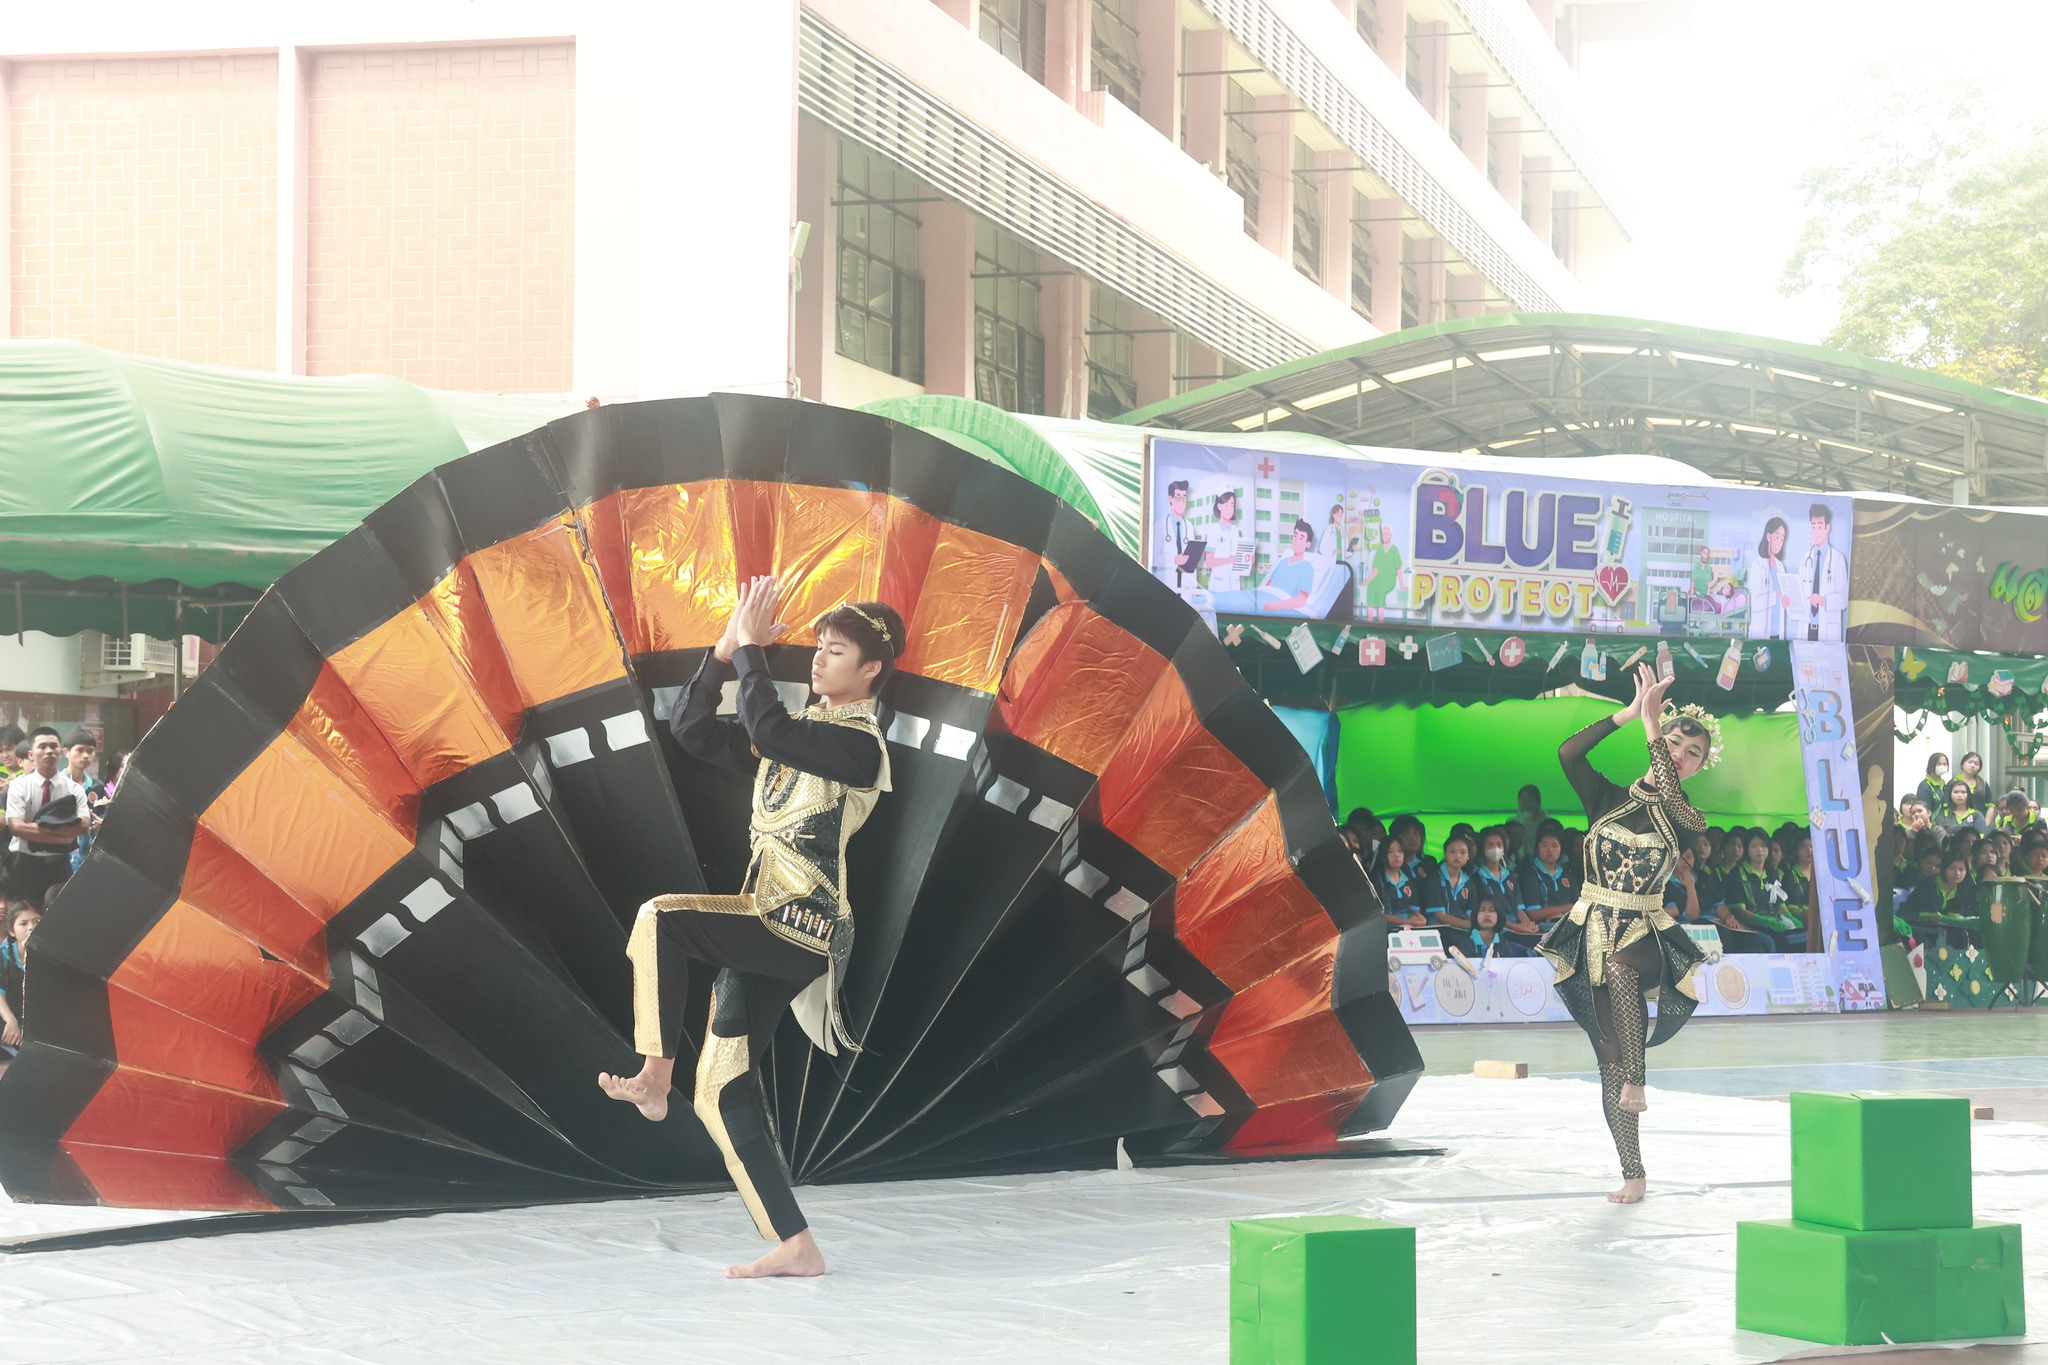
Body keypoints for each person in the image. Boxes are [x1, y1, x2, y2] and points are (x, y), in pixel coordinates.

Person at [597, 578, 901, 1279]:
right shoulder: (798, 738)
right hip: (767, 921)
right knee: (721, 1089)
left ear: (871, 669)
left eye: (835, 651)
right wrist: (724, 650)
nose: (819, 659)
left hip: (801, 921)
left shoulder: (859, 747)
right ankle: (796, 1243)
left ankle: (654, 1076)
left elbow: (769, 729)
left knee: (660, 918)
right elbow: (692, 729)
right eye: (819, 647)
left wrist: (753, 650)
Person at [1536, 665, 1715, 1205]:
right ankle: (1633, 1172)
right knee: (1607, 1064)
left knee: (1622, 967)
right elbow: (1568, 753)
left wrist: (1654, 727)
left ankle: (1639, 1076)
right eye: (1675, 742)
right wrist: (1629, 714)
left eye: (1693, 752)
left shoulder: (1687, 817)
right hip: (1592, 930)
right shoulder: (1606, 798)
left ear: (1701, 766)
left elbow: (1670, 796)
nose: (1680, 754)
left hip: (1647, 933)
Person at [4, 728, 89, 909]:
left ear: (61, 752)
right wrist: (64, 837)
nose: (49, 751)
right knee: (26, 915)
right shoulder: (19, 786)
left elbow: (83, 826)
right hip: (25, 865)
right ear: (31, 754)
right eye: (42, 747)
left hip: (60, 866)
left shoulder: (74, 789)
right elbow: (17, 828)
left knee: (60, 916)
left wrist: (34, 829)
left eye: (53, 746)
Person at [1795, 502, 1848, 642]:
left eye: (1819, 526)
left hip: (1828, 630)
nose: (1816, 531)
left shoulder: (1838, 559)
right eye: (1813, 526)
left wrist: (1823, 600)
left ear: (1827, 528)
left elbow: (1843, 599)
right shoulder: (1805, 559)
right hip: (1805, 629)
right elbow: (1799, 592)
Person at [1475, 827, 1540, 940]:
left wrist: (1529, 925)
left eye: (1499, 844)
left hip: (1517, 927)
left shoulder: (1510, 875)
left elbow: (1519, 909)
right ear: (1483, 848)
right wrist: (1516, 928)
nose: (1495, 848)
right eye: (1490, 845)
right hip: (1497, 929)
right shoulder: (1477, 877)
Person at [1901, 851, 1975, 950]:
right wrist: (1949, 920)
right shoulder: (1930, 884)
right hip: (1913, 923)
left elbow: (1956, 914)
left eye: (1961, 870)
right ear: (1943, 869)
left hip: (1940, 926)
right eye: (1952, 869)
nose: (1957, 873)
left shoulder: (1961, 888)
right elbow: (1930, 917)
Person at [0, 899, 38, 1059]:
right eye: (23, 923)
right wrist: (11, 1021)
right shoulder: (3, 954)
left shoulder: (49, 956)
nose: (31, 927)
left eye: (36, 921)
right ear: (11, 931)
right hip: (10, 1020)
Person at [1421, 832, 1481, 932]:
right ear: (1445, 853)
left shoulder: (1468, 881)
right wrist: (1469, 925)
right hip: (1439, 930)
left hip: (1463, 930)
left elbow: (1471, 913)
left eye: (1463, 852)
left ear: (1468, 856)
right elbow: (1441, 916)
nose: (1458, 856)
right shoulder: (1434, 879)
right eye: (1452, 852)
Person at [1747, 515, 1793, 639]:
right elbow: (1756, 603)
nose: (1779, 542)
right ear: (1768, 536)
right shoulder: (1757, 565)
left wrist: (1786, 601)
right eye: (1777, 537)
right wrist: (1775, 595)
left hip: (1778, 632)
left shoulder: (1780, 567)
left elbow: (1783, 598)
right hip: (1761, 632)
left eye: (1782, 539)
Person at [1521, 830, 1578, 927]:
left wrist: (1560, 914)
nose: (1550, 850)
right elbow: (1534, 913)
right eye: (1544, 846)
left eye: (1554, 846)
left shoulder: (1567, 874)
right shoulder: (1530, 874)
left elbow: (1579, 905)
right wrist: (1569, 907)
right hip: (1541, 928)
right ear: (1537, 848)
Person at [1372, 840, 1427, 930]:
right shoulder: (1377, 880)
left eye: (1400, 851)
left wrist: (1420, 918)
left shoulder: (1407, 879)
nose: (1396, 855)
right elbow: (1378, 915)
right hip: (1385, 931)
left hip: (1408, 929)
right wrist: (1406, 922)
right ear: (1383, 855)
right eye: (1390, 851)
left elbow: (1413, 909)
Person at [1202, 490, 1248, 594]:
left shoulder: (1235, 531)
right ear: (1219, 506)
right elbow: (1209, 562)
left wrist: (1248, 559)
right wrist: (1227, 560)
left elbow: (1237, 558)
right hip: (1218, 587)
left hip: (1235, 588)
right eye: (1226, 505)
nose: (1230, 509)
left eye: (1232, 505)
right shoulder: (1213, 529)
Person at [1153, 479, 1196, 588]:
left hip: (1186, 585)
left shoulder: (1189, 526)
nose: (1182, 502)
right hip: (1166, 582)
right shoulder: (1160, 524)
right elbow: (1152, 557)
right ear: (1170, 499)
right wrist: (1174, 559)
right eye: (1178, 497)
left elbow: (1192, 561)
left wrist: (1194, 586)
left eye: (1184, 497)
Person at [1359, 522, 1404, 624]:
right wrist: (1366, 582)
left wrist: (1402, 585)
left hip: (1389, 580)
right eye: (1383, 533)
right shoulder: (1379, 550)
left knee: (1380, 591)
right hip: (1378, 578)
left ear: (1391, 535)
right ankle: (1369, 620)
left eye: (1387, 533)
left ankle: (1381, 620)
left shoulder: (1394, 550)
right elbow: (1375, 570)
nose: (1385, 535)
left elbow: (1398, 568)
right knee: (1371, 587)